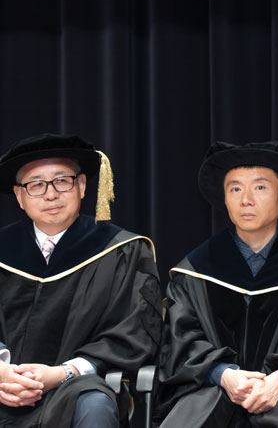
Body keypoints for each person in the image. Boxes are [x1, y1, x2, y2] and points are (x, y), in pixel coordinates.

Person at [0, 133, 161, 428]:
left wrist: (63, 373)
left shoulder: (122, 250)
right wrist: (2, 370)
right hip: (2, 384)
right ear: (20, 196)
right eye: (36, 185)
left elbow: (134, 333)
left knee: (95, 404)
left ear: (82, 186)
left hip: (75, 387)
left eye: (62, 181)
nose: (50, 194)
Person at [157, 141, 278, 426]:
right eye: (235, 189)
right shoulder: (195, 270)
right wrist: (223, 374)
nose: (246, 199)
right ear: (225, 197)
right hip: (210, 389)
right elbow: (179, 342)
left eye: (260, 187)